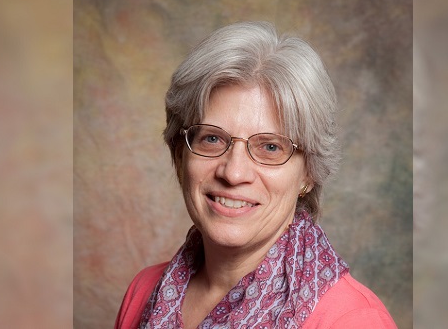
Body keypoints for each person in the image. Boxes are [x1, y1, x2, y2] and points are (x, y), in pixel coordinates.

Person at [115, 21, 396, 329]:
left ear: (308, 174)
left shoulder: (353, 320)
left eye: (271, 147)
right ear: (181, 155)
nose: (233, 173)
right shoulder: (143, 291)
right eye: (212, 138)